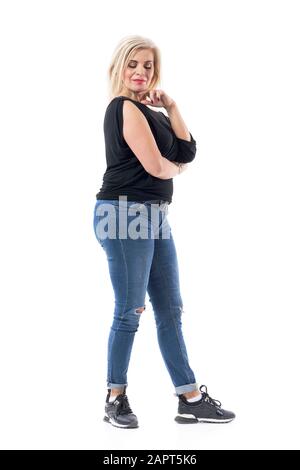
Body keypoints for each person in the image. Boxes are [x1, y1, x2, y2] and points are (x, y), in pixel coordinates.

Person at [93, 35, 235, 428]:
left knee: (170, 310)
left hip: (154, 215)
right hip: (123, 213)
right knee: (130, 311)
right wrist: (175, 169)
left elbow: (187, 151)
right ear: (120, 68)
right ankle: (115, 397)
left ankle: (189, 397)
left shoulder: (152, 111)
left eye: (149, 66)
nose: (141, 72)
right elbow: (159, 167)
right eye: (133, 64)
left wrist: (171, 106)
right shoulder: (122, 107)